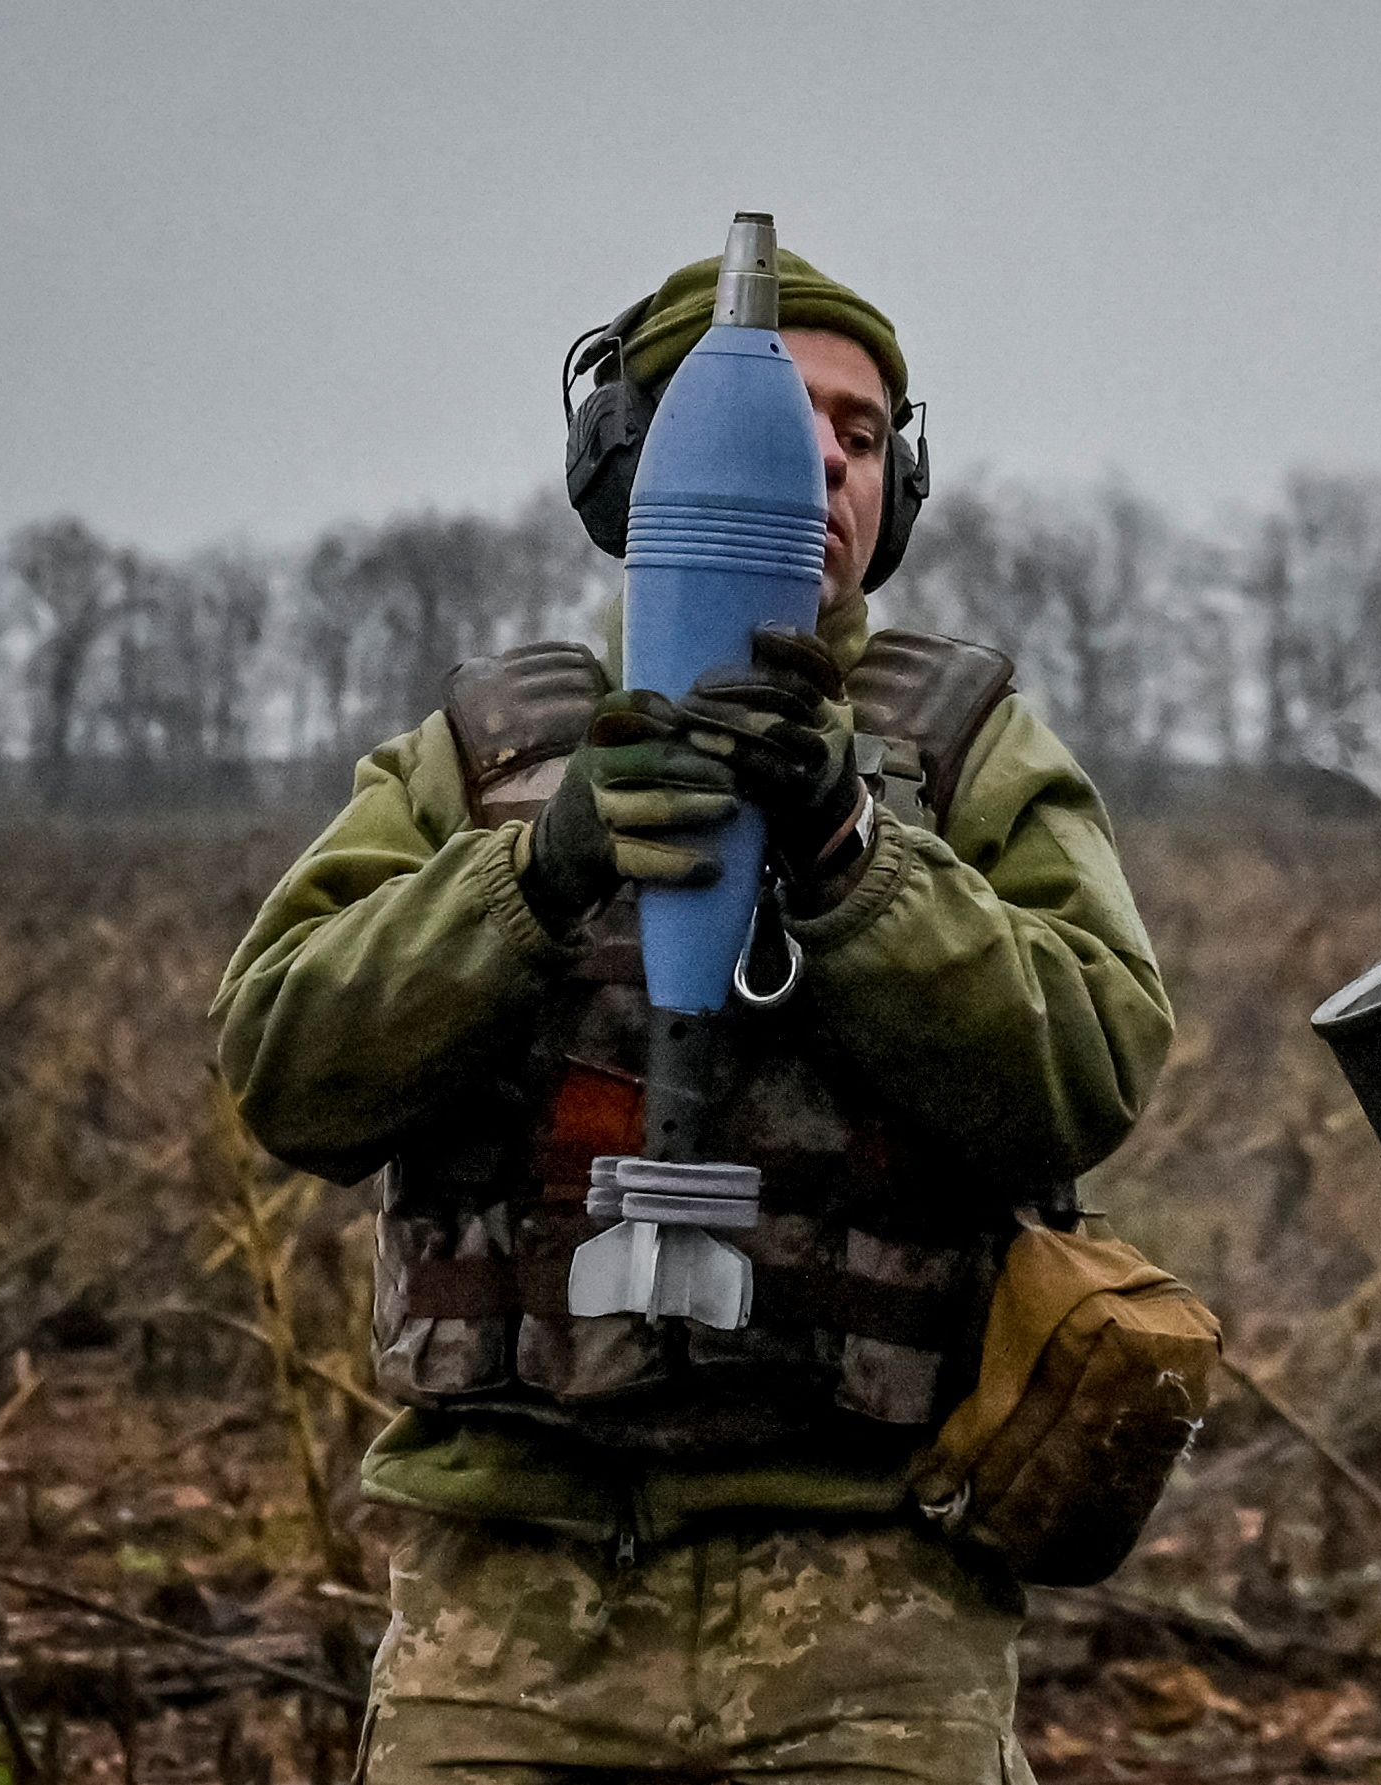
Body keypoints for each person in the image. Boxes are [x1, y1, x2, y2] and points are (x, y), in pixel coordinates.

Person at [211, 246, 1173, 1783]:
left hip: (873, 1610)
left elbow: (1089, 1070)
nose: (827, 466)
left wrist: (856, 857)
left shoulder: (972, 756)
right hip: (510, 1615)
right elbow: (284, 1063)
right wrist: (533, 870)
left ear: (900, 491)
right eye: (786, 425)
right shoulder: (480, 758)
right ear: (630, 467)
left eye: (864, 435)